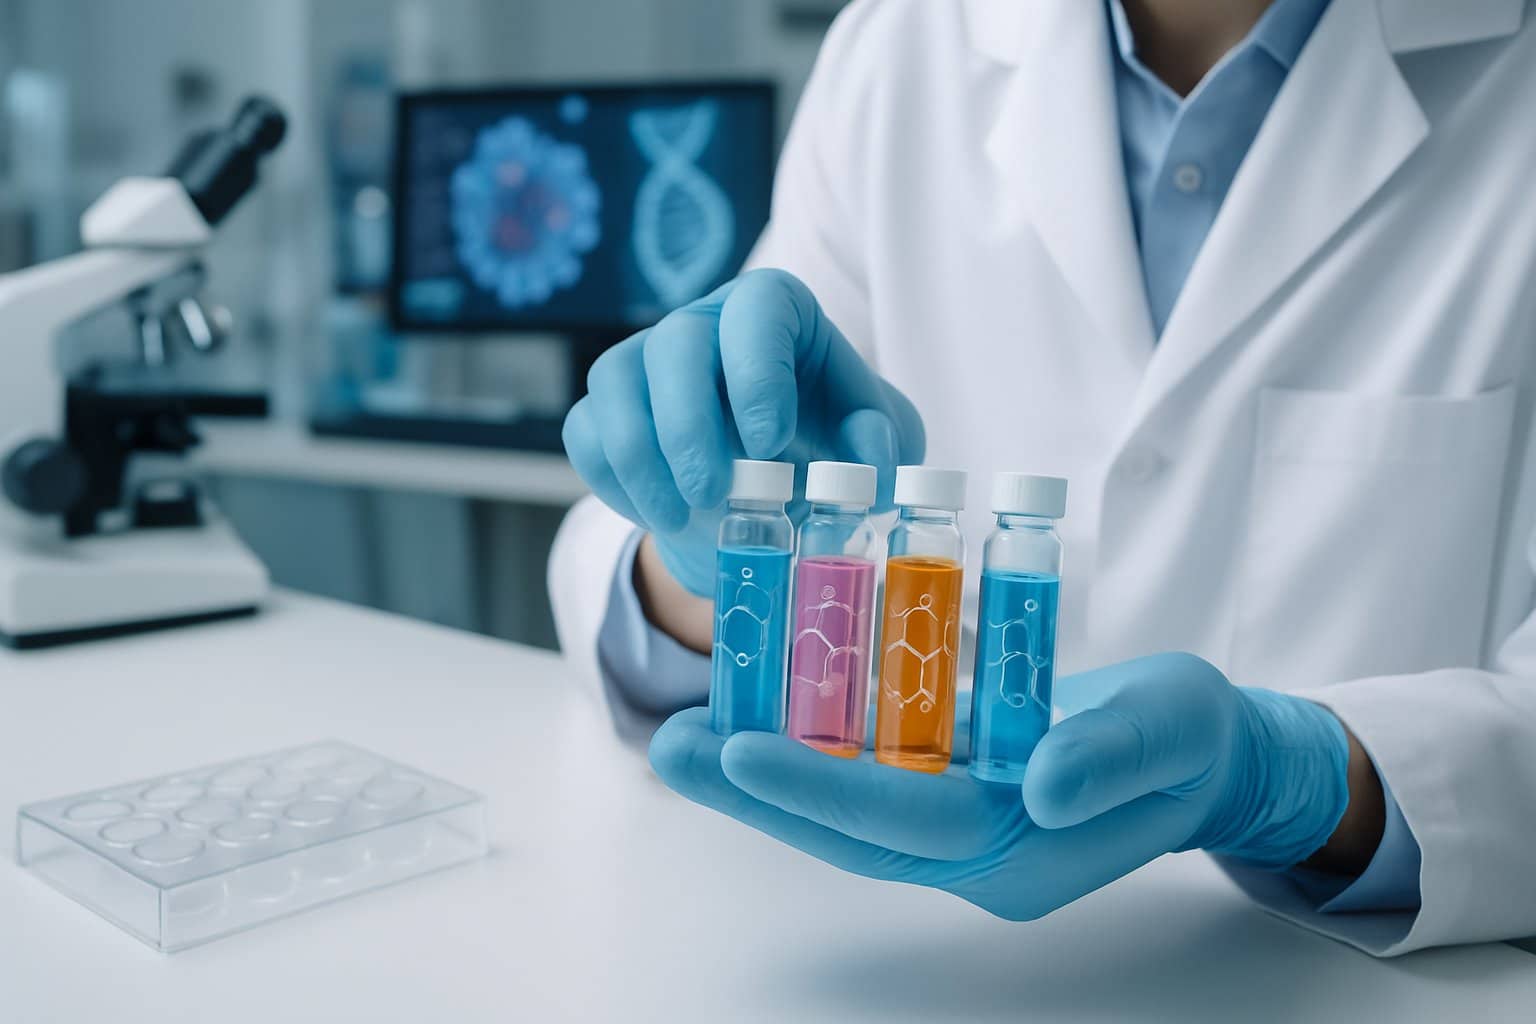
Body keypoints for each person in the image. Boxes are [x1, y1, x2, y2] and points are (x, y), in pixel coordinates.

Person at [550, 0, 1536, 956]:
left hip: (1336, 973)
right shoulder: (903, 47)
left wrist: (1292, 782)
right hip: (905, 962)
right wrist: (716, 559)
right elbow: (704, 491)